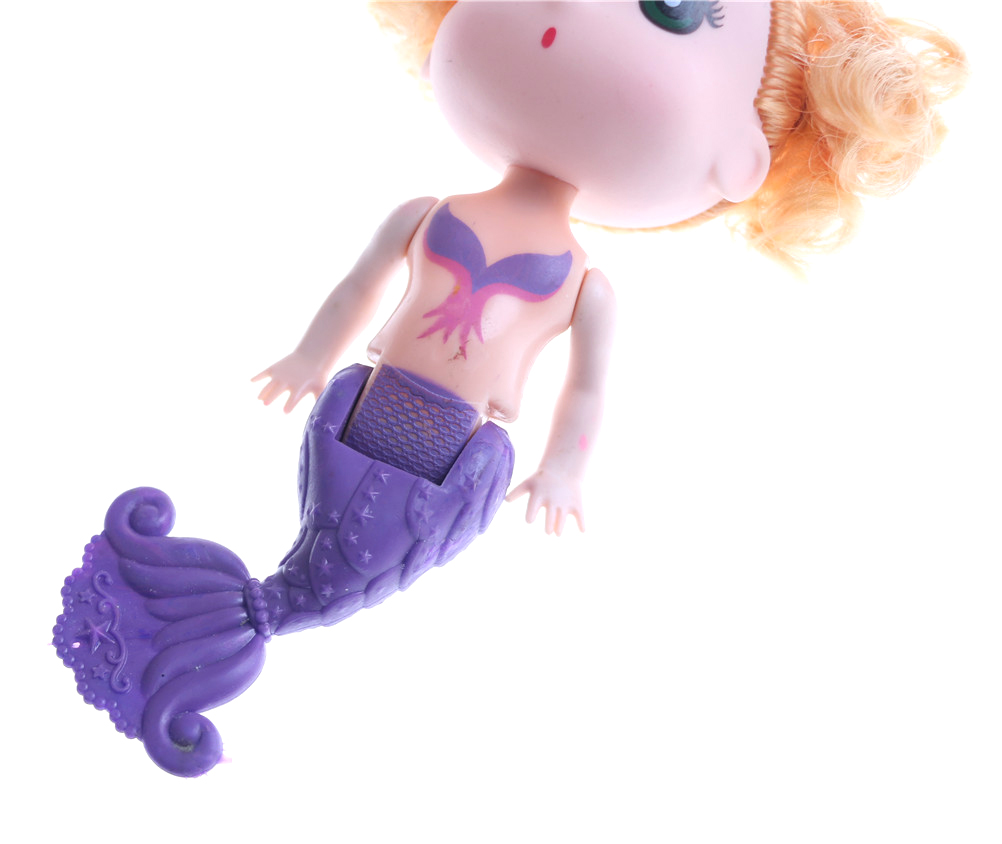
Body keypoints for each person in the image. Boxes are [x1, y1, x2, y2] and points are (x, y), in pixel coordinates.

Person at [53, 1, 966, 776]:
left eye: (670, 7)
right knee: (313, 556)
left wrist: (563, 470)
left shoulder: (584, 286)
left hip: (451, 465)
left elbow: (586, 395)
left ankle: (196, 627)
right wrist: (309, 360)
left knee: (325, 571)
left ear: (739, 157)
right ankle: (189, 614)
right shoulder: (427, 216)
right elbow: (357, 292)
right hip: (355, 415)